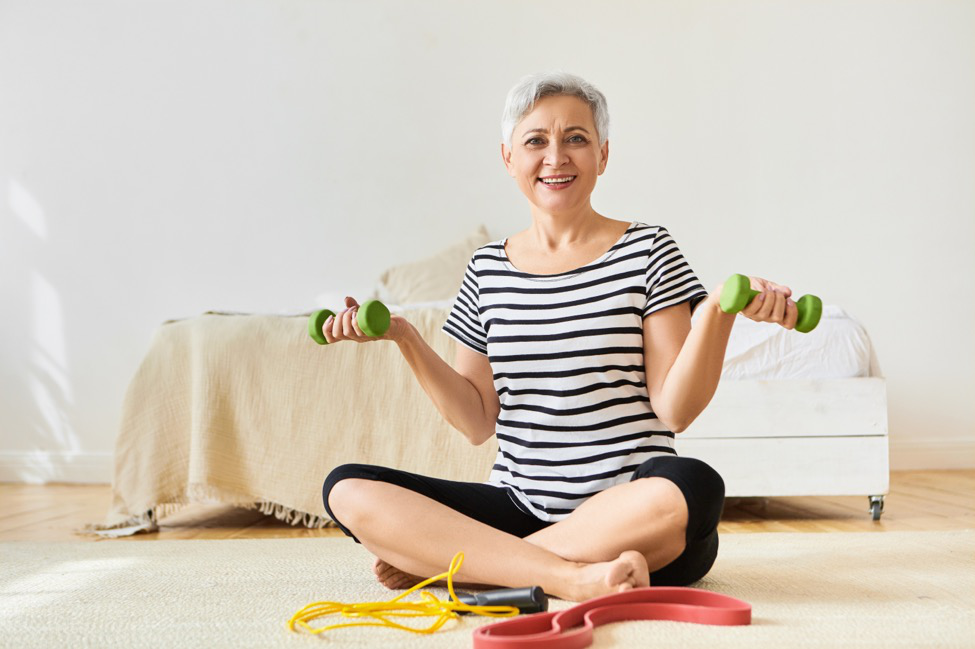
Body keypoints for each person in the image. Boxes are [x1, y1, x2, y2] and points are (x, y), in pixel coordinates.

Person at [320, 72, 800, 603]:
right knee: (347, 487)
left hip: (633, 514)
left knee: (694, 486)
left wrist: (716, 312)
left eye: (576, 138)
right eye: (535, 141)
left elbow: (676, 410)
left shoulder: (649, 250)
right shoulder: (485, 271)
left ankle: (475, 566)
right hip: (519, 507)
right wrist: (405, 338)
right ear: (508, 158)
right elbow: (477, 422)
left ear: (603, 154)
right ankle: (567, 575)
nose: (556, 156)